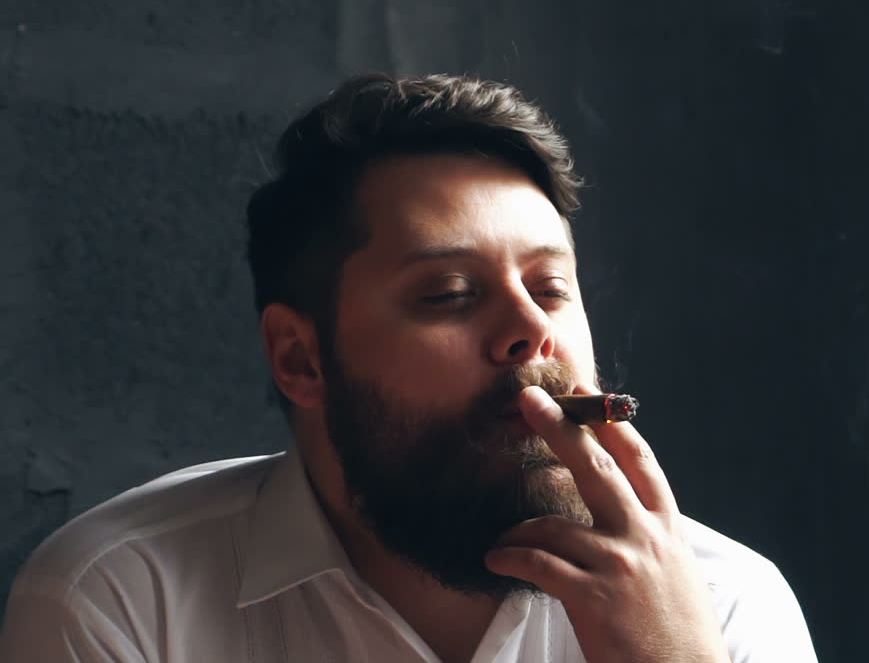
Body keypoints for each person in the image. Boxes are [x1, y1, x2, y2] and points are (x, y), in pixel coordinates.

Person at [0, 73, 818, 662]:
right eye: (451, 294)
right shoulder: (124, 599)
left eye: (551, 288)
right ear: (301, 357)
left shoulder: (723, 603)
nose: (532, 333)